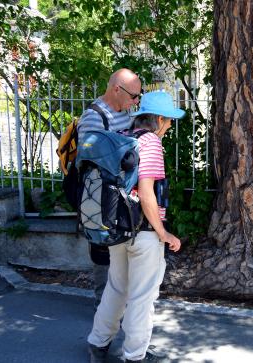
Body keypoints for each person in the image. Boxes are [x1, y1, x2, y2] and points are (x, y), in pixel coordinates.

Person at [87, 91, 184, 363]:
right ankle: (135, 356)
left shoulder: (125, 136)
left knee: (116, 289)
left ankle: (97, 344)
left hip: (118, 228)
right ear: (160, 119)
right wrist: (163, 232)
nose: (169, 127)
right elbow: (146, 191)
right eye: (169, 121)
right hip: (144, 232)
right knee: (142, 298)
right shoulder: (151, 142)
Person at [77, 68, 142, 309]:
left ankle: (117, 304)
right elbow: (90, 160)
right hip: (101, 197)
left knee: (122, 248)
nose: (136, 102)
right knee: (102, 248)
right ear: (116, 89)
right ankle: (102, 306)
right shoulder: (93, 117)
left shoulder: (125, 113)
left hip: (122, 195)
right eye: (133, 96)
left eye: (139, 97)